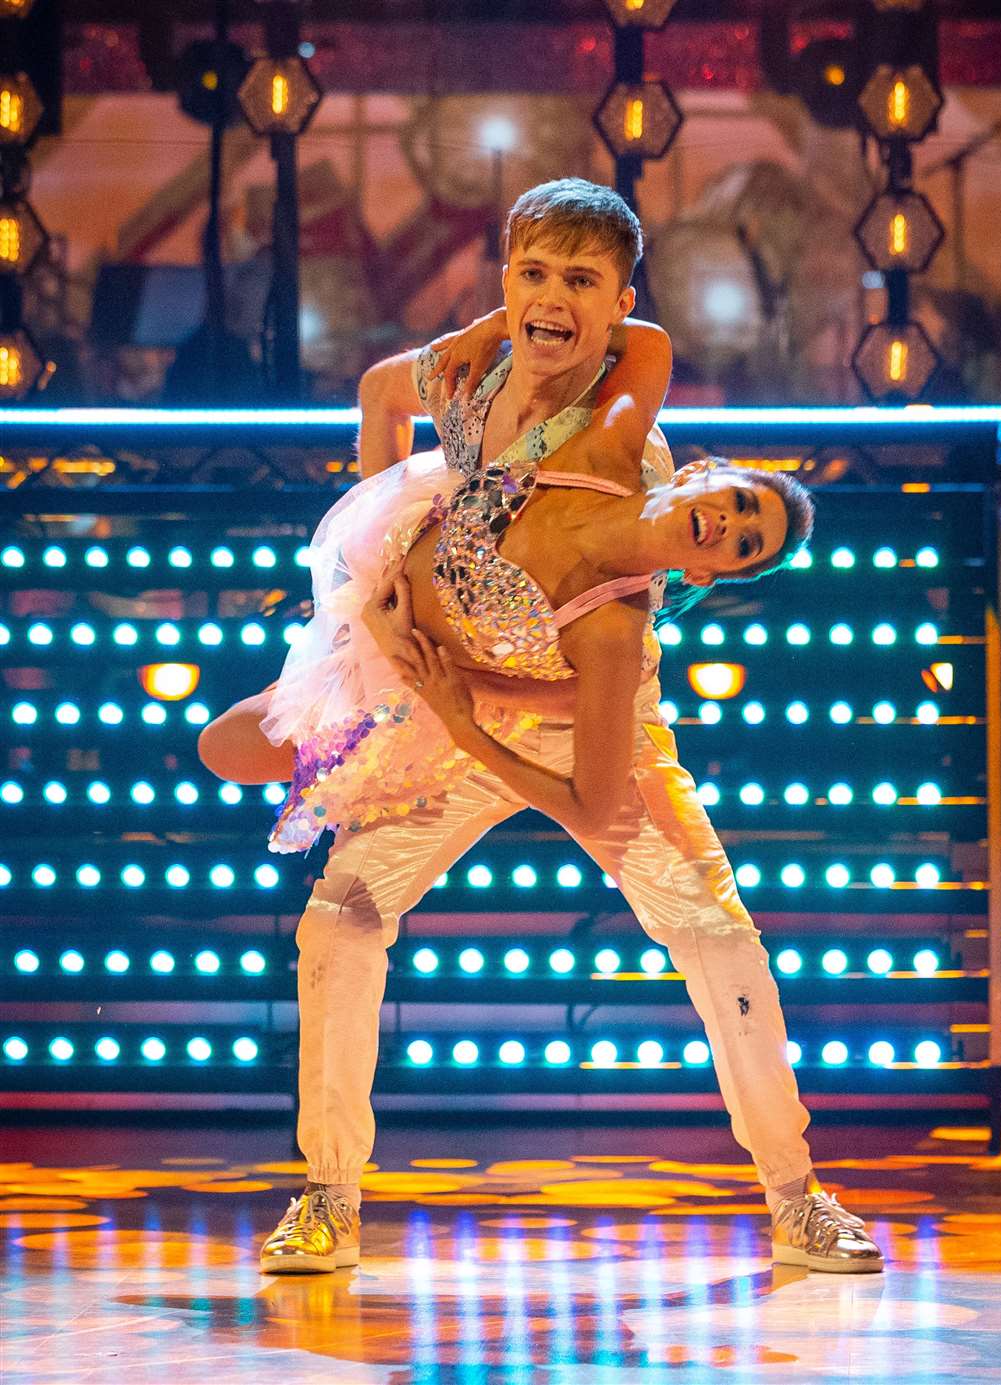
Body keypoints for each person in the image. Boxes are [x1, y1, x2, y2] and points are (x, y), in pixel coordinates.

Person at [199, 178, 884, 1277]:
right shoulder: (477, 380)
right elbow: (387, 390)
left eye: (582, 283)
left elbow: (644, 348)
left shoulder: (625, 448)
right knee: (339, 920)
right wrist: (383, 572)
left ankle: (797, 1195)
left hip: (578, 724)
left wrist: (472, 714)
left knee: (716, 932)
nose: (554, 297)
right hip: (448, 708)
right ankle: (326, 1194)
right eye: (535, 274)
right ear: (507, 275)